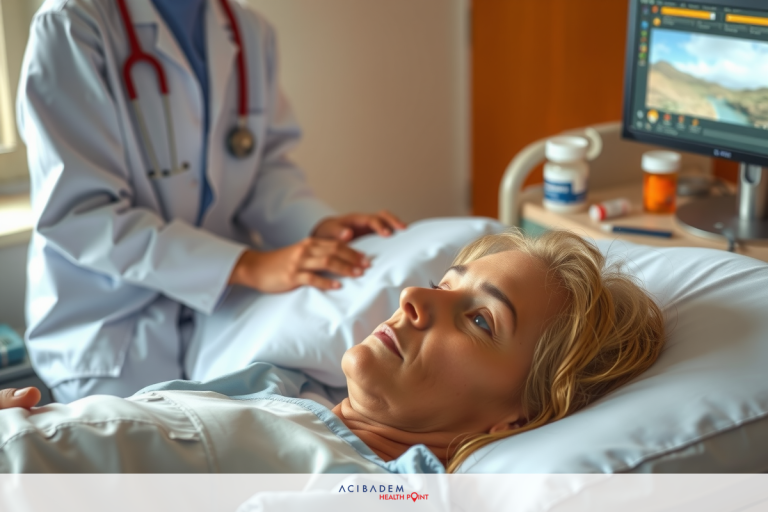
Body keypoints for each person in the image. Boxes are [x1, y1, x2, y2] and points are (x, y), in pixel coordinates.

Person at [0, 230, 665, 473]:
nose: (412, 296)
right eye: (441, 284)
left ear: (516, 418)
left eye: (480, 321)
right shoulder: (285, 392)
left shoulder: (375, 491)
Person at [16, 0, 405, 403]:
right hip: (109, 330)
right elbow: (82, 214)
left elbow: (261, 166)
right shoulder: (72, 24)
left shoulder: (249, 30)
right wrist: (247, 264)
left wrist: (317, 226)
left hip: (218, 314)